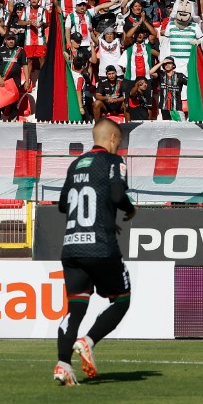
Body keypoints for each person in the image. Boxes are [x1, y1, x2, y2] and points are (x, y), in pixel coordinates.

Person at [53, 117, 137, 386]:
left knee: (75, 307)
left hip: (72, 246)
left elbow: (64, 205)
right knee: (122, 299)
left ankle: (62, 365)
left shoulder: (76, 164)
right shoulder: (114, 162)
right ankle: (87, 342)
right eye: (119, 142)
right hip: (100, 246)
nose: (118, 147)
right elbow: (115, 195)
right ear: (113, 139)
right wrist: (129, 208)